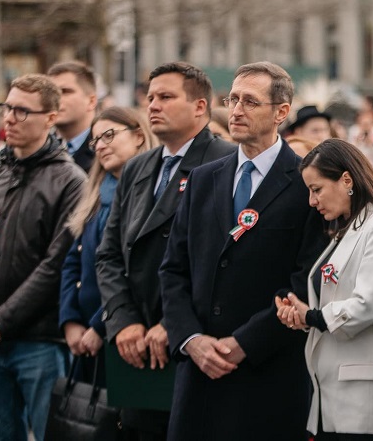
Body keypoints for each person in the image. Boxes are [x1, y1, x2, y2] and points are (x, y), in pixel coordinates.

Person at [160, 62, 327, 440]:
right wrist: (190, 339)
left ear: (281, 112)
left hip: (268, 374)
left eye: (250, 101)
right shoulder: (203, 178)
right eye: (232, 99)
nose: (235, 110)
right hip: (200, 374)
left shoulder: (306, 183)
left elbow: (306, 279)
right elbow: (173, 269)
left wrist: (245, 343)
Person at [96, 62, 235, 440]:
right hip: (135, 344)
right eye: (151, 96)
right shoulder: (138, 167)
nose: (153, 105)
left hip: (194, 345)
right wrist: (123, 321)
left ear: (200, 106)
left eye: (166, 97)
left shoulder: (227, 162)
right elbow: (109, 254)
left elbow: (222, 261)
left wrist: (174, 324)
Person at [0, 74, 86, 441]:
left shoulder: (71, 181)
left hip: (40, 341)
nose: (9, 118)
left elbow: (56, 264)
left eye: (22, 111)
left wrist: (0, 323)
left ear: (50, 118)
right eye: (7, 108)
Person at [276, 139, 373, 440]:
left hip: (370, 402)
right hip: (335, 397)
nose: (312, 201)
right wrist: (303, 316)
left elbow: (368, 305)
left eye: (317, 189)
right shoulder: (346, 230)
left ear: (346, 180)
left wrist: (312, 316)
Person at [60, 107, 155, 384]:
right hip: (83, 336)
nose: (100, 145)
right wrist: (70, 320)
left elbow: (132, 272)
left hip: (124, 331)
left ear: (138, 136)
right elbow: (74, 260)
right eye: (95, 140)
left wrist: (99, 327)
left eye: (109, 135)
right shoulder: (96, 193)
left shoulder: (152, 193)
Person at [48, 60, 99, 172]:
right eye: (51, 93)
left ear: (91, 101)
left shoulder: (105, 150)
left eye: (65, 91)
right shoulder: (38, 150)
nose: (55, 99)